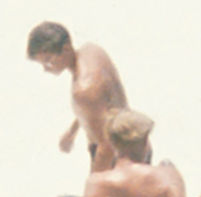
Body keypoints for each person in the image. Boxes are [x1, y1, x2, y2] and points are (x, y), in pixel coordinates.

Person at [26, 22, 129, 172]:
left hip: (117, 160)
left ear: (66, 48)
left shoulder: (84, 89)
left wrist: (94, 189)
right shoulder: (91, 51)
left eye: (48, 61)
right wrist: (72, 131)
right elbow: (100, 105)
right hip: (133, 142)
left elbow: (106, 147)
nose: (46, 69)